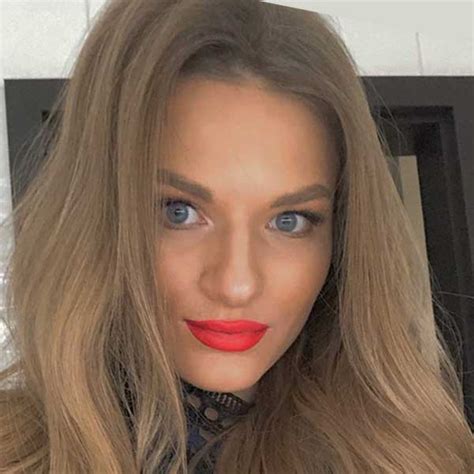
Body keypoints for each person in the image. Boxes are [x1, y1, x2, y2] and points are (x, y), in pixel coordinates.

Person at [0, 0, 472, 472]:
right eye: (179, 212)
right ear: (100, 213)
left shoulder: (411, 456)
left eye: (289, 221)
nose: (236, 284)